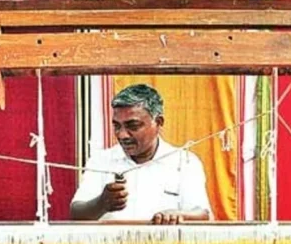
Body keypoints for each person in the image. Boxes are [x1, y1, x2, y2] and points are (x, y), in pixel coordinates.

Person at [70, 84, 212, 224]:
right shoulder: (101, 161)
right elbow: (76, 212)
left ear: (158, 122)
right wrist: (101, 203)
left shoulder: (185, 162)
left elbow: (202, 214)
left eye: (133, 126)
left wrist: (176, 215)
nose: (122, 135)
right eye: (117, 126)